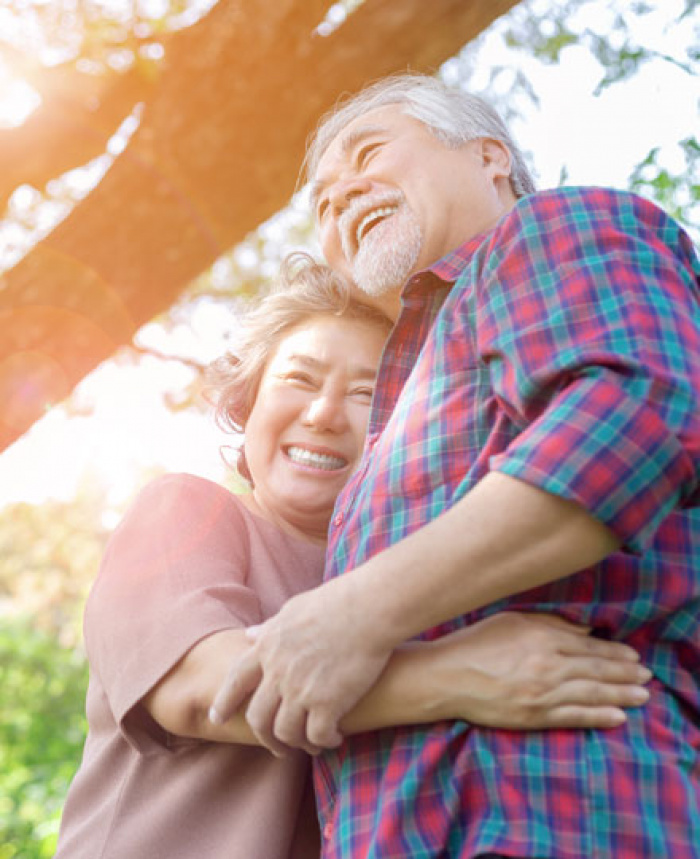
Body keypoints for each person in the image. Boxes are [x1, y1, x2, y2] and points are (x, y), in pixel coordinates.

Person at [213, 75, 700, 857]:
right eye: (326, 202)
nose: (342, 197)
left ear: (489, 157)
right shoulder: (394, 418)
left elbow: (632, 415)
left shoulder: (552, 230)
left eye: (369, 154)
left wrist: (358, 611)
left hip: (566, 807)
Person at [54, 258, 648, 859]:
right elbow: (199, 687)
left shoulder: (410, 581)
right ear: (248, 402)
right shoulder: (186, 511)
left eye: (366, 393)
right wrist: (459, 675)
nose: (323, 415)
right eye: (299, 379)